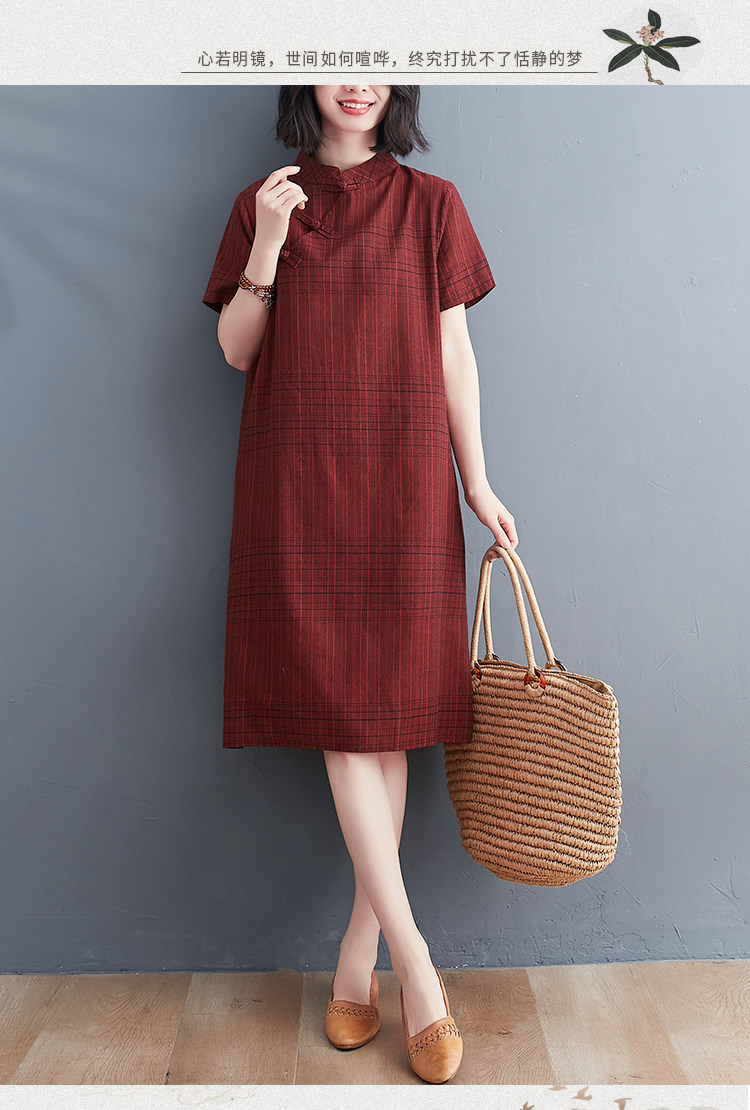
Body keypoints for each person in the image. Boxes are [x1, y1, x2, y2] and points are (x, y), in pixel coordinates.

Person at [202, 84, 519, 1084]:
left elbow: (455, 351)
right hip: (297, 484)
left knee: (386, 724)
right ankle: (416, 963)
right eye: (338, 53)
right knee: (350, 720)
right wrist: (267, 244)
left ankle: (357, 952)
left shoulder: (434, 205)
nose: (357, 79)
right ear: (306, 75)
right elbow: (234, 351)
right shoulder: (263, 199)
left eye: (377, 57)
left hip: (404, 479)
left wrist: (476, 481)